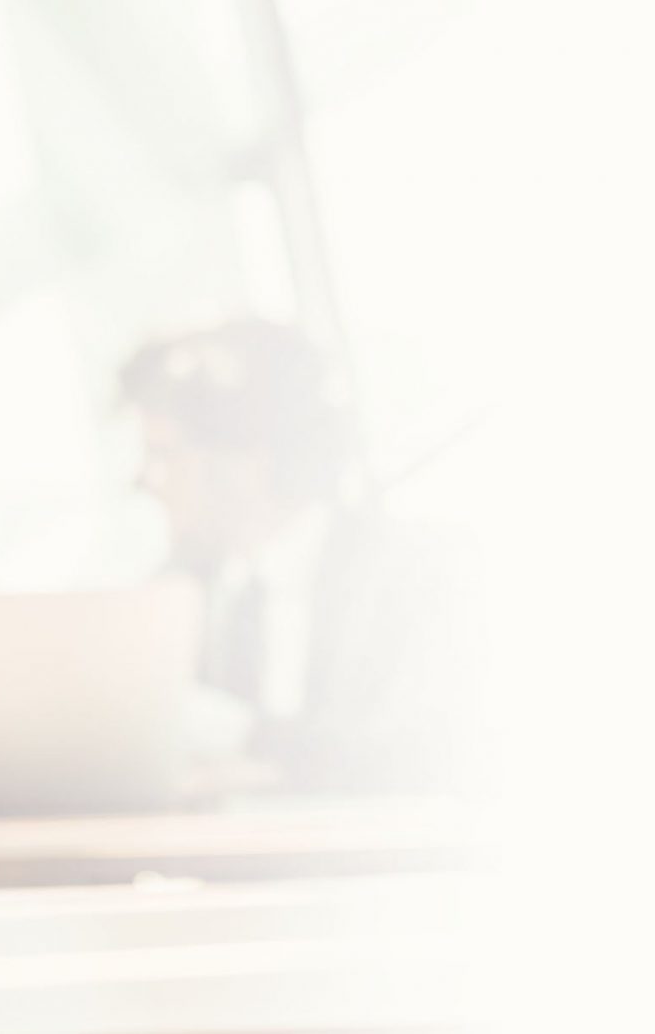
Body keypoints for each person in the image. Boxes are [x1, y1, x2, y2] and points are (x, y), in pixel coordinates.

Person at [122, 319, 472, 793]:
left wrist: (244, 736)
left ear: (246, 462)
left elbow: (423, 763)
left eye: (164, 455)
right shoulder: (167, 601)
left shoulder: (421, 577)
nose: (143, 480)